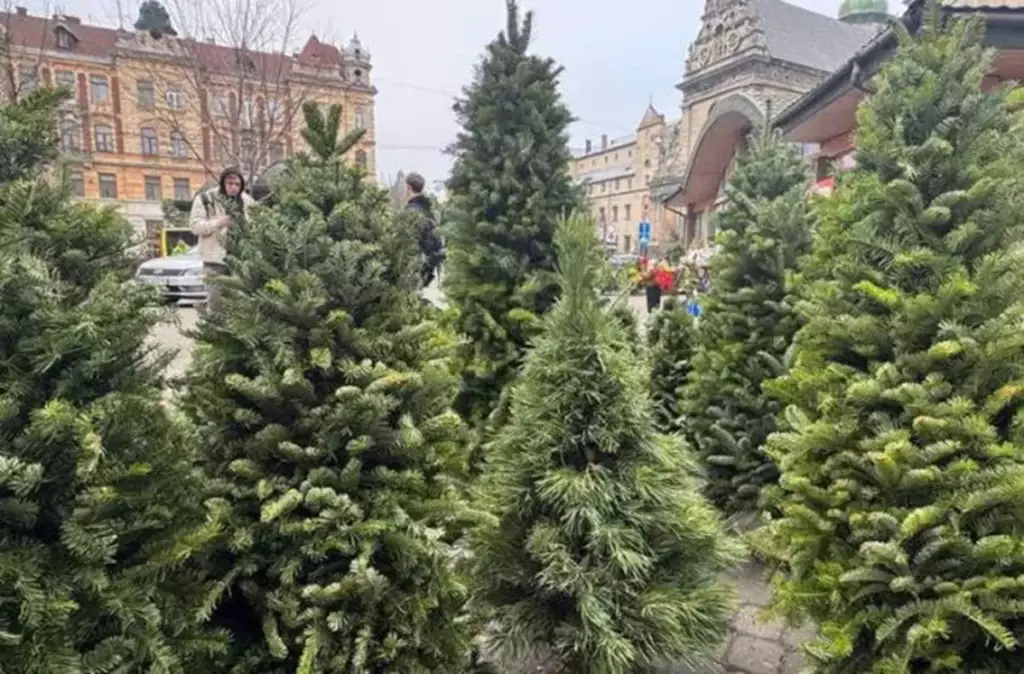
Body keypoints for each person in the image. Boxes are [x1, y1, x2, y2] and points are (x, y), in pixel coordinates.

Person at [190, 166, 253, 312]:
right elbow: (195, 227)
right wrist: (219, 223)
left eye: (237, 184)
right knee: (216, 302)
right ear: (223, 183)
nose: (234, 188)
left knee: (241, 303)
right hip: (215, 261)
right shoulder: (206, 199)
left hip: (240, 260)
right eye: (230, 183)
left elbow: (256, 224)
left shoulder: (247, 201)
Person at [404, 172, 444, 288]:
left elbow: (406, 238)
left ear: (408, 187)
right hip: (429, 263)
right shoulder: (428, 210)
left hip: (416, 265)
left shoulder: (411, 211)